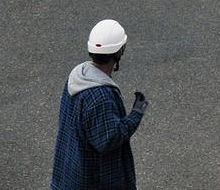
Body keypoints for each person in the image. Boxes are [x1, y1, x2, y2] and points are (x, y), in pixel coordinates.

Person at [52, 19, 148, 190]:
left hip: (69, 174)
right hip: (92, 180)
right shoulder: (100, 96)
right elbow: (108, 139)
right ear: (119, 52)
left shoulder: (77, 77)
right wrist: (136, 114)